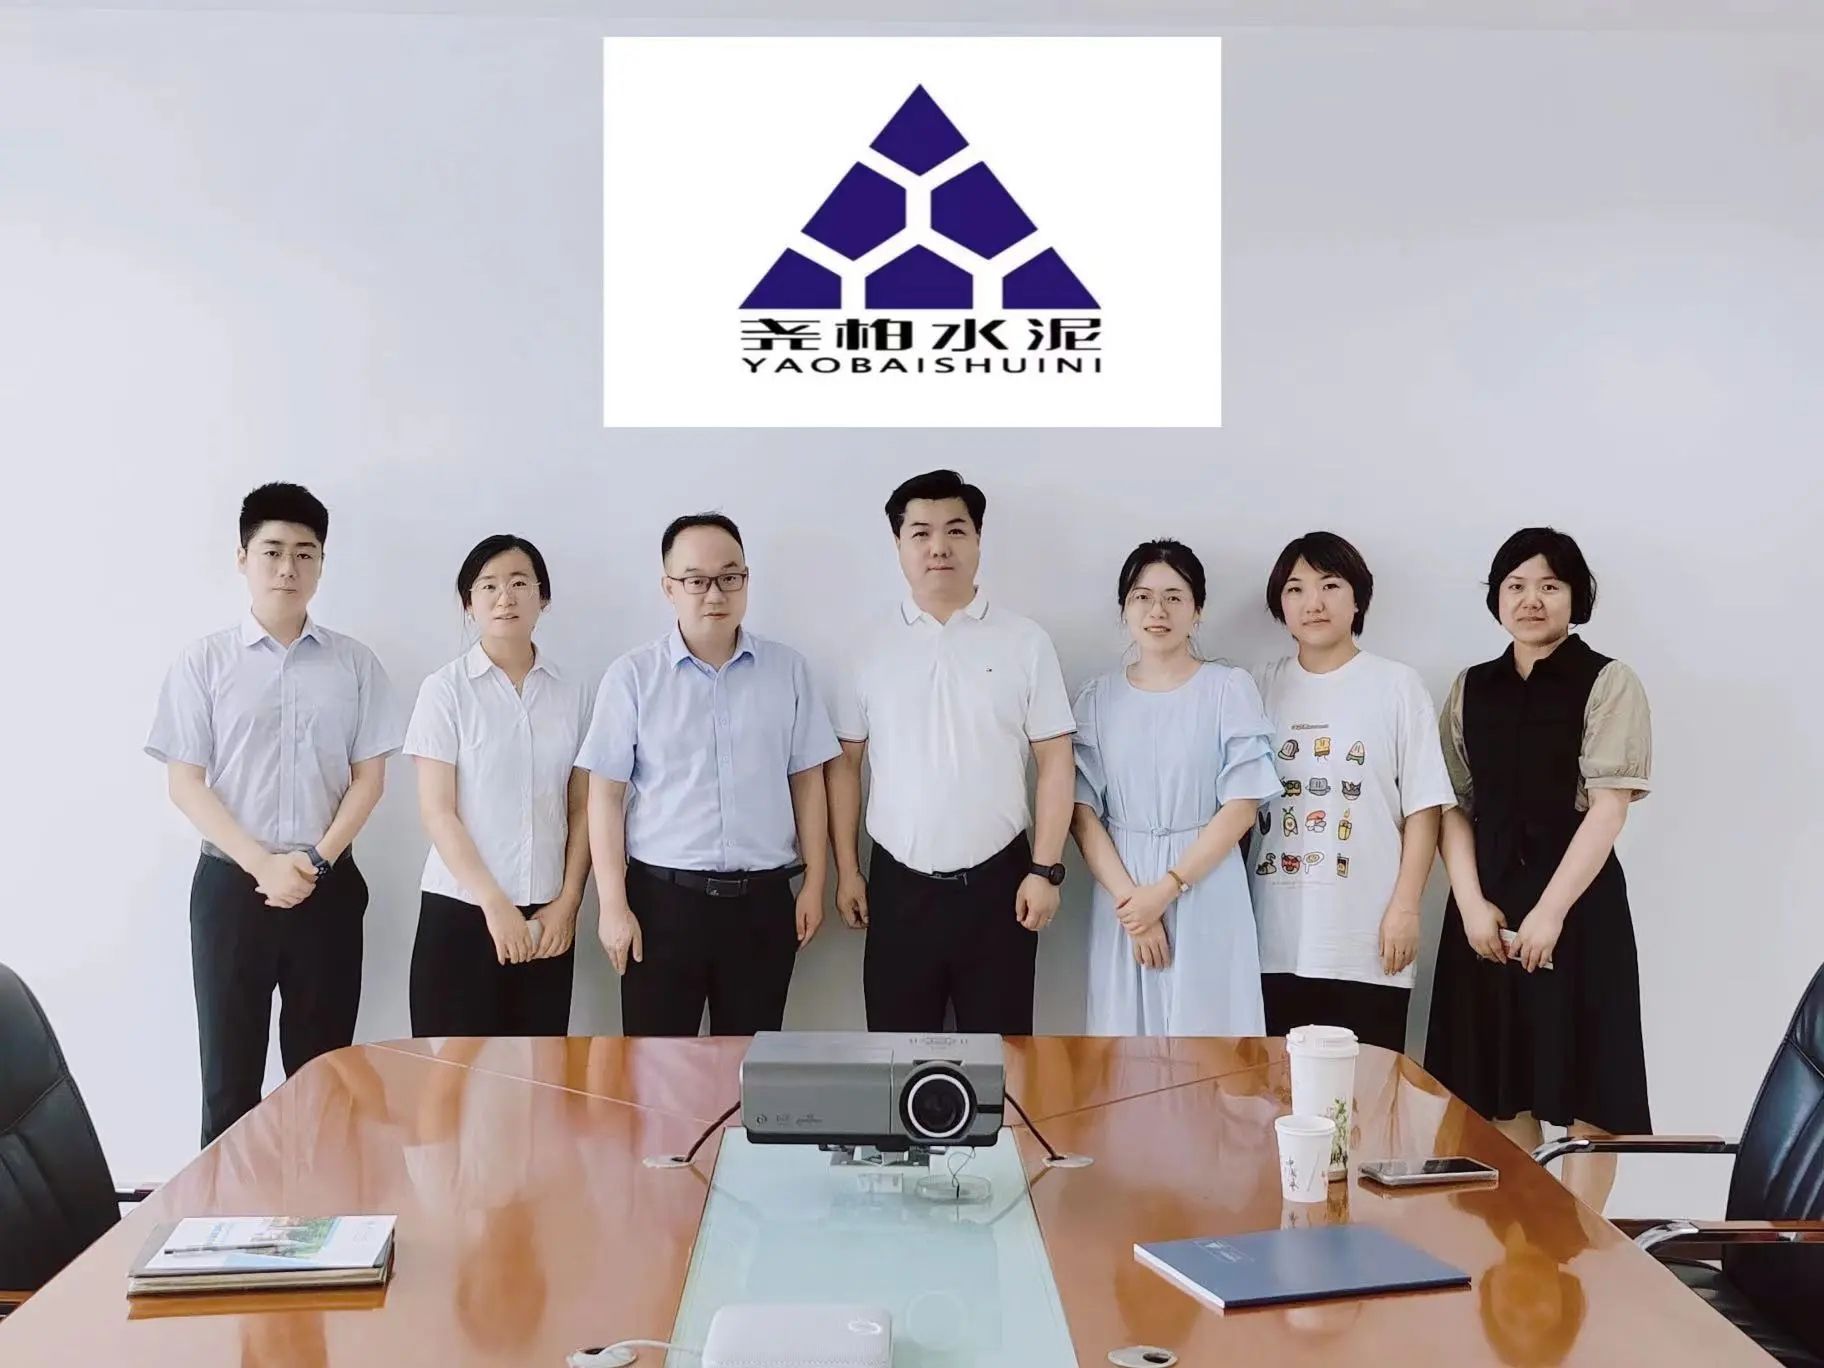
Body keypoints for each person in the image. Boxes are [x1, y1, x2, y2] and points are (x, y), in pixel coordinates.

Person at [145, 482, 402, 1146]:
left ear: (321, 563)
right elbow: (186, 783)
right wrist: (263, 864)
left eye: (305, 553)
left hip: (327, 885)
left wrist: (314, 862)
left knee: (324, 1078)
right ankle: (226, 1208)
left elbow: (370, 780)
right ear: (243, 558)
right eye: (273, 551)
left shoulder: (354, 664)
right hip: (232, 886)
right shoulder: (203, 662)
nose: (289, 567)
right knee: (228, 1080)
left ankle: (320, 1204)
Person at [1425, 527, 1653, 1215]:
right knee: (1499, 1091)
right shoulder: (1471, 688)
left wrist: (1550, 913)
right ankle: (1526, 1250)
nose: (1532, 600)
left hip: (1579, 905)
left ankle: (1581, 1248)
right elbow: (1452, 806)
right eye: (1516, 586)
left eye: (1549, 586)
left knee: (1593, 1089)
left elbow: (1609, 807)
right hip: (1486, 907)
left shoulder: (1609, 681)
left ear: (1575, 597)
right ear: (1497, 598)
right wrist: (1470, 903)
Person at [828, 469, 1076, 1035]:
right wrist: (848, 871)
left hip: (1003, 884)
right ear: (898, 544)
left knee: (1004, 1057)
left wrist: (1045, 870)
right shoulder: (866, 645)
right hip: (897, 884)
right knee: (895, 1058)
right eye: (920, 533)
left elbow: (1056, 760)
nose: (938, 547)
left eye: (955, 530)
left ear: (978, 540)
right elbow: (845, 766)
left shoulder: (1025, 641)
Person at [580, 513, 839, 1035]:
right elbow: (604, 796)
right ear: (669, 588)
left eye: (729, 577)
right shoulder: (633, 676)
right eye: (696, 581)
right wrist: (612, 905)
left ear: (746, 579)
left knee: (747, 1068)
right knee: (655, 1068)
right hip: (662, 903)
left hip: (763, 904)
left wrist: (815, 881)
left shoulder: (787, 670)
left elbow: (807, 781)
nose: (715, 594)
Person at [1249, 532, 1456, 1052]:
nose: (1313, 602)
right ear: (1280, 604)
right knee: (1276, 1091)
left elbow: (1425, 808)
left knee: (1366, 1091)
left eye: (1330, 585)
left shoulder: (1396, 685)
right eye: (1296, 589)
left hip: (1365, 942)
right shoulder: (1258, 686)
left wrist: (1406, 907)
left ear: (1357, 598)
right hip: (1270, 941)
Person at [1070, 540, 1281, 1035]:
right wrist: (1135, 907)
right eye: (1142, 597)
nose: (1157, 611)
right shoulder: (1097, 698)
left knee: (1211, 1038)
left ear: (1197, 609)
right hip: (1123, 893)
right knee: (1125, 1043)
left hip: (1205, 881)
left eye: (1173, 597)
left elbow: (1241, 806)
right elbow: (1081, 813)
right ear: (1124, 608)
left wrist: (1165, 890)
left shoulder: (1228, 689)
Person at [402, 535, 592, 1038]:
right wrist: (494, 903)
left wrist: (568, 902)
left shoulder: (573, 693)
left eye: (519, 583)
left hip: (547, 919)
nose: (504, 597)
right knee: (453, 1077)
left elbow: (583, 808)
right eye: (488, 586)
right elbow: (438, 811)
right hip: (462, 913)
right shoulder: (445, 690)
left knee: (539, 1074)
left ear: (542, 597)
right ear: (469, 603)